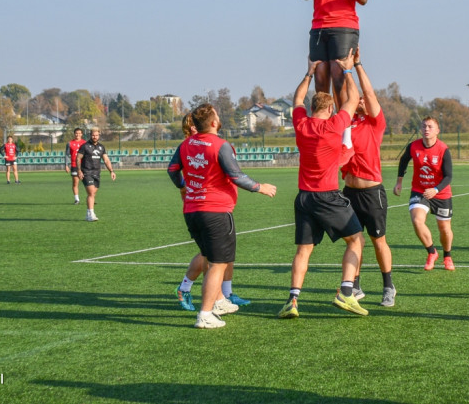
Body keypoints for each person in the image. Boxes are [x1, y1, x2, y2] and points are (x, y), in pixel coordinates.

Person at [168, 103, 277, 329]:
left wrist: (185, 185)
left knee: (211, 258)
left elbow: (172, 170)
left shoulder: (186, 144)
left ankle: (219, 301)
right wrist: (260, 187)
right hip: (215, 211)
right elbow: (236, 175)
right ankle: (205, 314)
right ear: (214, 122)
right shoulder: (220, 145)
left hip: (192, 211)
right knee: (218, 263)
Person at [280, 53, 369, 319]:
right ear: (330, 109)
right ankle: (345, 292)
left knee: (303, 250)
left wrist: (309, 73)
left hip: (305, 198)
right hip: (328, 196)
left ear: (311, 108)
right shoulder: (334, 124)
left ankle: (293, 301)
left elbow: (297, 99)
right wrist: (348, 71)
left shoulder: (301, 124)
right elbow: (353, 100)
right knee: (356, 240)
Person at [172, 113, 256, 311]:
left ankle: (224, 295)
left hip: (213, 206)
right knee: (210, 257)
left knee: (223, 255)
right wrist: (184, 188)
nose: (194, 129)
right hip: (207, 206)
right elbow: (178, 171)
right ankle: (192, 292)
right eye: (191, 127)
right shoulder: (191, 145)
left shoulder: (209, 143)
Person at [340, 48, 396, 307]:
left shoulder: (375, 123)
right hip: (349, 191)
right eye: (357, 98)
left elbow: (370, 94)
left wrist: (357, 66)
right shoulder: (347, 122)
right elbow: (342, 97)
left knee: (378, 240)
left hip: (371, 192)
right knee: (354, 240)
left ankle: (388, 286)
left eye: (363, 99)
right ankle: (356, 286)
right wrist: (343, 70)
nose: (361, 99)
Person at [395, 116, 455, 271]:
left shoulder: (443, 149)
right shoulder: (413, 146)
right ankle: (431, 252)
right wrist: (399, 182)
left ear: (437, 130)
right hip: (419, 190)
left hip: (441, 193)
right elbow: (403, 161)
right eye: (424, 126)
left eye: (430, 127)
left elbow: (448, 176)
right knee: (417, 220)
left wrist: (435, 189)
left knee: (444, 228)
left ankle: (447, 256)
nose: (426, 129)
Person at [76, 128, 116, 222]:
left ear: (99, 135)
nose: (95, 137)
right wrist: (79, 171)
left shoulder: (101, 147)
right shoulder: (84, 146)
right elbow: (78, 158)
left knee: (93, 193)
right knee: (90, 193)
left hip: (97, 173)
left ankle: (88, 213)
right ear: (90, 135)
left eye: (97, 135)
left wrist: (111, 171)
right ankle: (91, 214)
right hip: (86, 172)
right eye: (93, 135)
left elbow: (106, 160)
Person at [66, 128, 85, 204]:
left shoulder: (85, 143)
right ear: (74, 134)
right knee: (75, 183)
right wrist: (66, 165)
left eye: (79, 133)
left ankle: (91, 198)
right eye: (76, 133)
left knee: (88, 182)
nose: (78, 135)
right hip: (74, 165)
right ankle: (77, 199)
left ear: (81, 134)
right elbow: (67, 155)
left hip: (84, 165)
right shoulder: (70, 143)